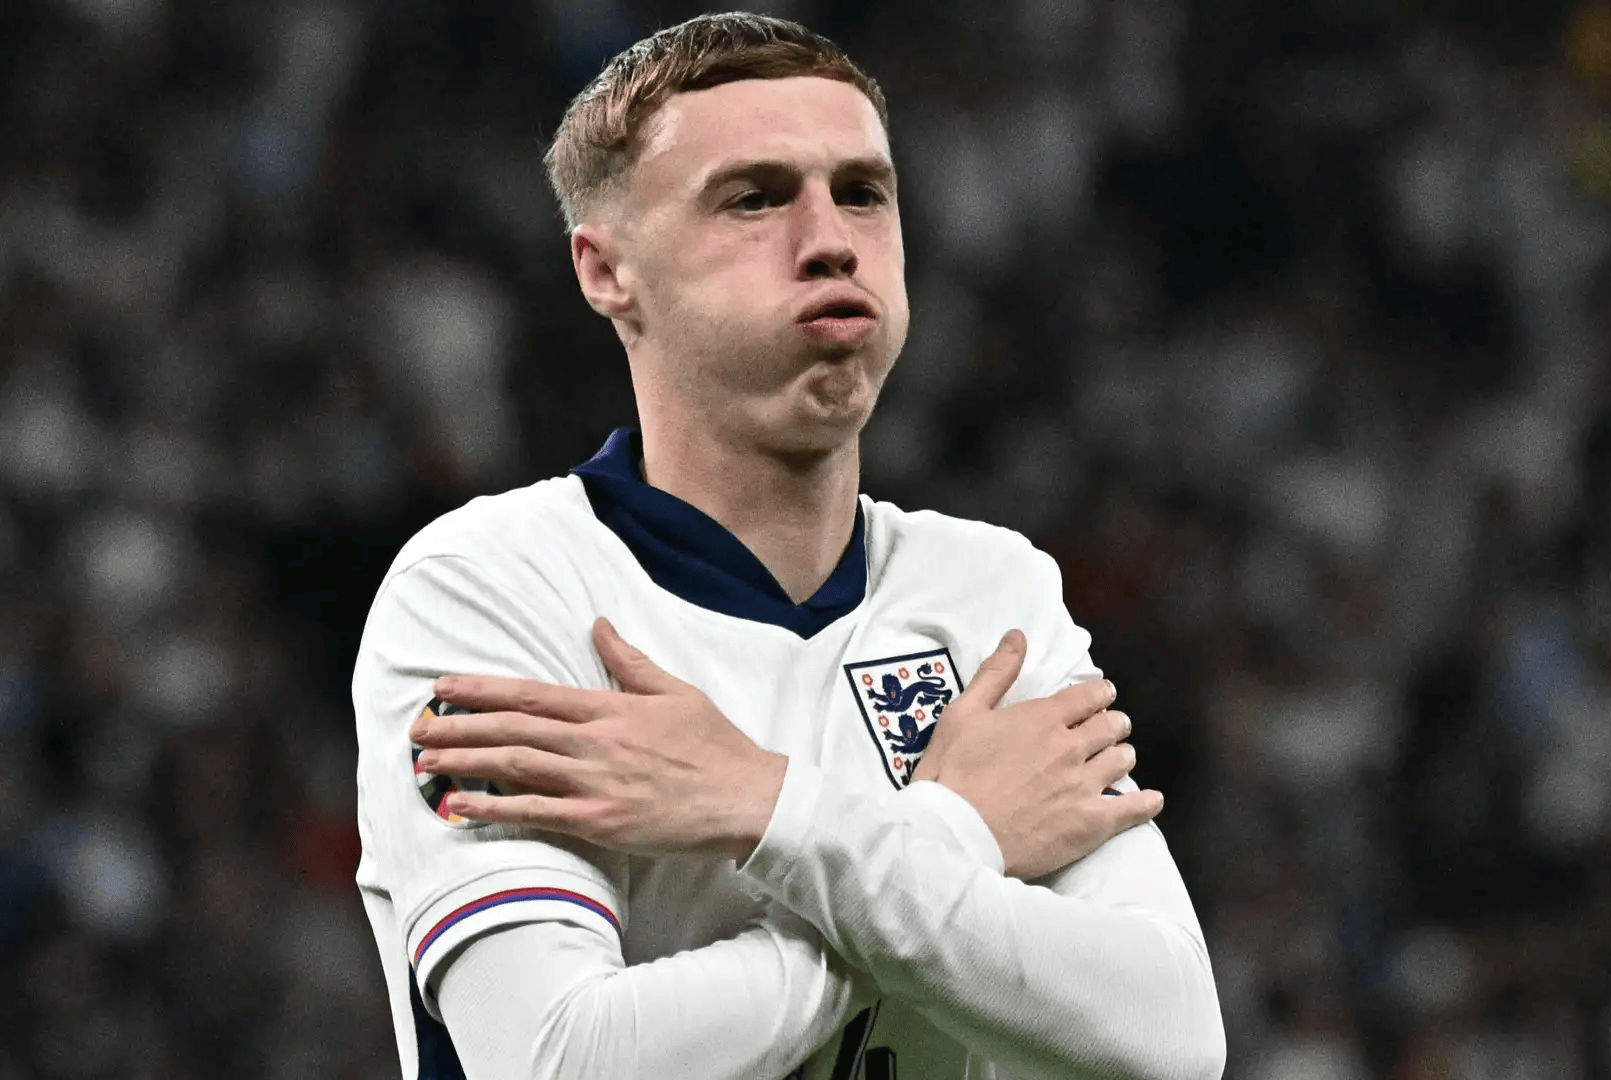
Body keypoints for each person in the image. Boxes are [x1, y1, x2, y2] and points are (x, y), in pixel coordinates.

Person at [353, 12, 1226, 1080]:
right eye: (754, 197)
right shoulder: (490, 588)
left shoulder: (991, 595)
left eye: (862, 191)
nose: (831, 238)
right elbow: (561, 1060)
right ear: (606, 269)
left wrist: (767, 807)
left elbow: (1169, 1036)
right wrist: (952, 836)